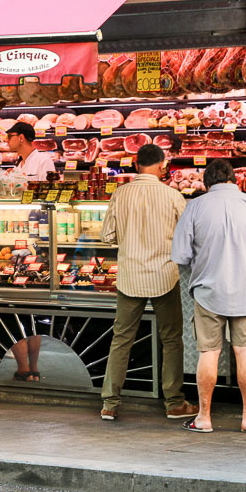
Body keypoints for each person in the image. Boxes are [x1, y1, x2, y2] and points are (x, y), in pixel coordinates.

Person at [171, 159, 246, 433]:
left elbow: (181, 255)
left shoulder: (195, 207)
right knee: (245, 352)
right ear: (233, 179)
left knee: (208, 352)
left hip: (208, 292)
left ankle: (204, 418)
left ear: (207, 183)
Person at [98, 144, 195, 421]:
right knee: (172, 339)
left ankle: (110, 403)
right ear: (163, 165)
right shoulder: (173, 195)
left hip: (129, 275)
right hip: (164, 275)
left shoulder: (120, 194)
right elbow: (186, 238)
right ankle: (175, 402)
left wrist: (130, 241)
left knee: (121, 340)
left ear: (136, 164)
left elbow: (107, 236)